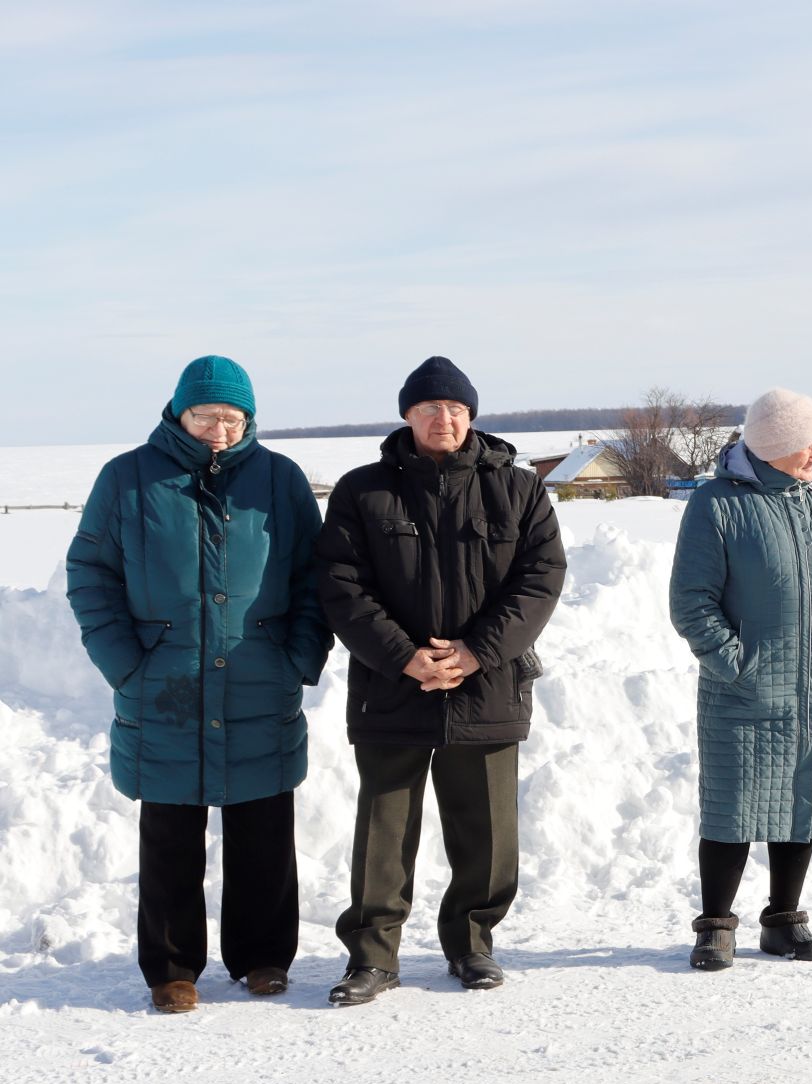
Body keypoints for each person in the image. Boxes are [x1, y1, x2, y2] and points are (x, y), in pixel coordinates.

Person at [66, 356, 331, 1013]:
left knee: (264, 829)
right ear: (178, 412)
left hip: (259, 681)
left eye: (231, 417)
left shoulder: (280, 480)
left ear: (249, 419)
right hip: (164, 687)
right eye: (205, 415)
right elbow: (90, 574)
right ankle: (172, 968)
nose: (218, 428)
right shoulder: (127, 479)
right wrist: (126, 661)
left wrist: (297, 654)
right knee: (170, 838)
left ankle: (264, 957)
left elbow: (316, 578)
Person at [315, 356, 566, 1005]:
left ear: (472, 415)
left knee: (487, 830)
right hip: (391, 686)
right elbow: (341, 585)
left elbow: (539, 579)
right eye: (429, 408)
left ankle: (473, 942)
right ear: (407, 416)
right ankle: (373, 956)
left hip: (487, 688)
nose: (443, 419)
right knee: (384, 830)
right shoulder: (362, 491)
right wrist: (403, 654)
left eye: (455, 408)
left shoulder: (518, 489)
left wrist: (477, 651)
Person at [668, 388, 812, 970]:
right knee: (733, 805)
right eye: (806, 443)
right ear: (774, 445)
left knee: (801, 800)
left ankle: (784, 918)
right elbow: (692, 600)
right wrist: (734, 661)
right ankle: (715, 924)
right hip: (744, 687)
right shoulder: (717, 504)